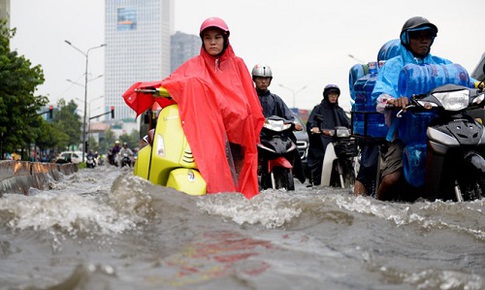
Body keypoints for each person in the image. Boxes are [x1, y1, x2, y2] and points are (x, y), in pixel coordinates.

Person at [124, 17, 264, 198]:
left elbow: (248, 98)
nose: (212, 42)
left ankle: (238, 196)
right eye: (207, 38)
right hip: (206, 126)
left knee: (238, 167)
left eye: (217, 37)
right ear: (203, 41)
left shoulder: (237, 64)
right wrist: (155, 87)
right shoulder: (194, 65)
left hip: (235, 129)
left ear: (225, 39)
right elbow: (174, 81)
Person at [371, 16, 478, 201]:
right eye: (417, 35)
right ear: (406, 38)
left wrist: (480, 87)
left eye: (428, 35)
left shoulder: (441, 63)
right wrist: (393, 100)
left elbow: (467, 81)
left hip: (444, 128)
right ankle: (376, 211)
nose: (423, 40)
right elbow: (380, 95)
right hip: (407, 132)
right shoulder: (394, 65)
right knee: (391, 179)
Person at [251, 63, 306, 184]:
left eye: (266, 79)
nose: (263, 82)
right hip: (258, 137)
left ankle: (301, 176)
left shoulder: (276, 99)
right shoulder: (249, 98)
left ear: (270, 81)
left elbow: (289, 115)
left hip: (276, 138)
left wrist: (294, 124)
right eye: (260, 78)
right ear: (254, 79)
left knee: (293, 146)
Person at [306, 84, 350, 186]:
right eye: (331, 94)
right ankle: (317, 182)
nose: (333, 96)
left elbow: (348, 123)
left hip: (338, 142)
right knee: (320, 158)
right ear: (326, 95)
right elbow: (311, 122)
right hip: (322, 143)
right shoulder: (318, 109)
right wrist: (314, 128)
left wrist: (353, 129)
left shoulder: (339, 111)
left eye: (335, 94)